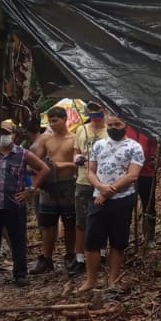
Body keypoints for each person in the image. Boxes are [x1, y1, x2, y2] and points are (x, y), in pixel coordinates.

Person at [0, 119, 51, 286]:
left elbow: (44, 169)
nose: (3, 136)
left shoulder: (22, 153)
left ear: (13, 135)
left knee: (18, 240)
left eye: (6, 133)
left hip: (15, 204)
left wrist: (31, 189)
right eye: (0, 133)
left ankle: (20, 274)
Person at [80, 113, 144, 293]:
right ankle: (91, 281)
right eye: (110, 125)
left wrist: (109, 192)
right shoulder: (99, 145)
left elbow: (133, 175)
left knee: (118, 241)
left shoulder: (134, 147)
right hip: (97, 197)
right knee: (92, 241)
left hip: (122, 199)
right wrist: (101, 187)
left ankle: (113, 281)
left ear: (125, 125)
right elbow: (90, 171)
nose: (114, 128)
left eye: (117, 124)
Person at [31, 106, 78, 272]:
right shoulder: (45, 139)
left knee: (70, 223)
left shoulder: (74, 138)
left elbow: (79, 164)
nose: (52, 124)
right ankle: (46, 259)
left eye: (55, 121)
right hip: (49, 185)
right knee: (47, 224)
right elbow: (34, 159)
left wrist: (60, 165)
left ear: (65, 119)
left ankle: (70, 256)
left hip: (68, 184)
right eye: (50, 121)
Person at [70, 102, 108, 277]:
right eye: (91, 112)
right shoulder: (81, 130)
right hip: (83, 180)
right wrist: (77, 157)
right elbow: (76, 150)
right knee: (81, 221)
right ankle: (79, 257)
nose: (95, 115)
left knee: (102, 219)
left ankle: (102, 252)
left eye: (98, 111)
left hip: (103, 181)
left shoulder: (109, 131)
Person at [126, 125, 159, 246]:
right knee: (127, 205)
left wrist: (156, 161)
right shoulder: (124, 128)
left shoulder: (147, 127)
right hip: (128, 174)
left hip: (147, 174)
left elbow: (157, 147)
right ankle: (124, 236)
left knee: (148, 205)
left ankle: (149, 236)